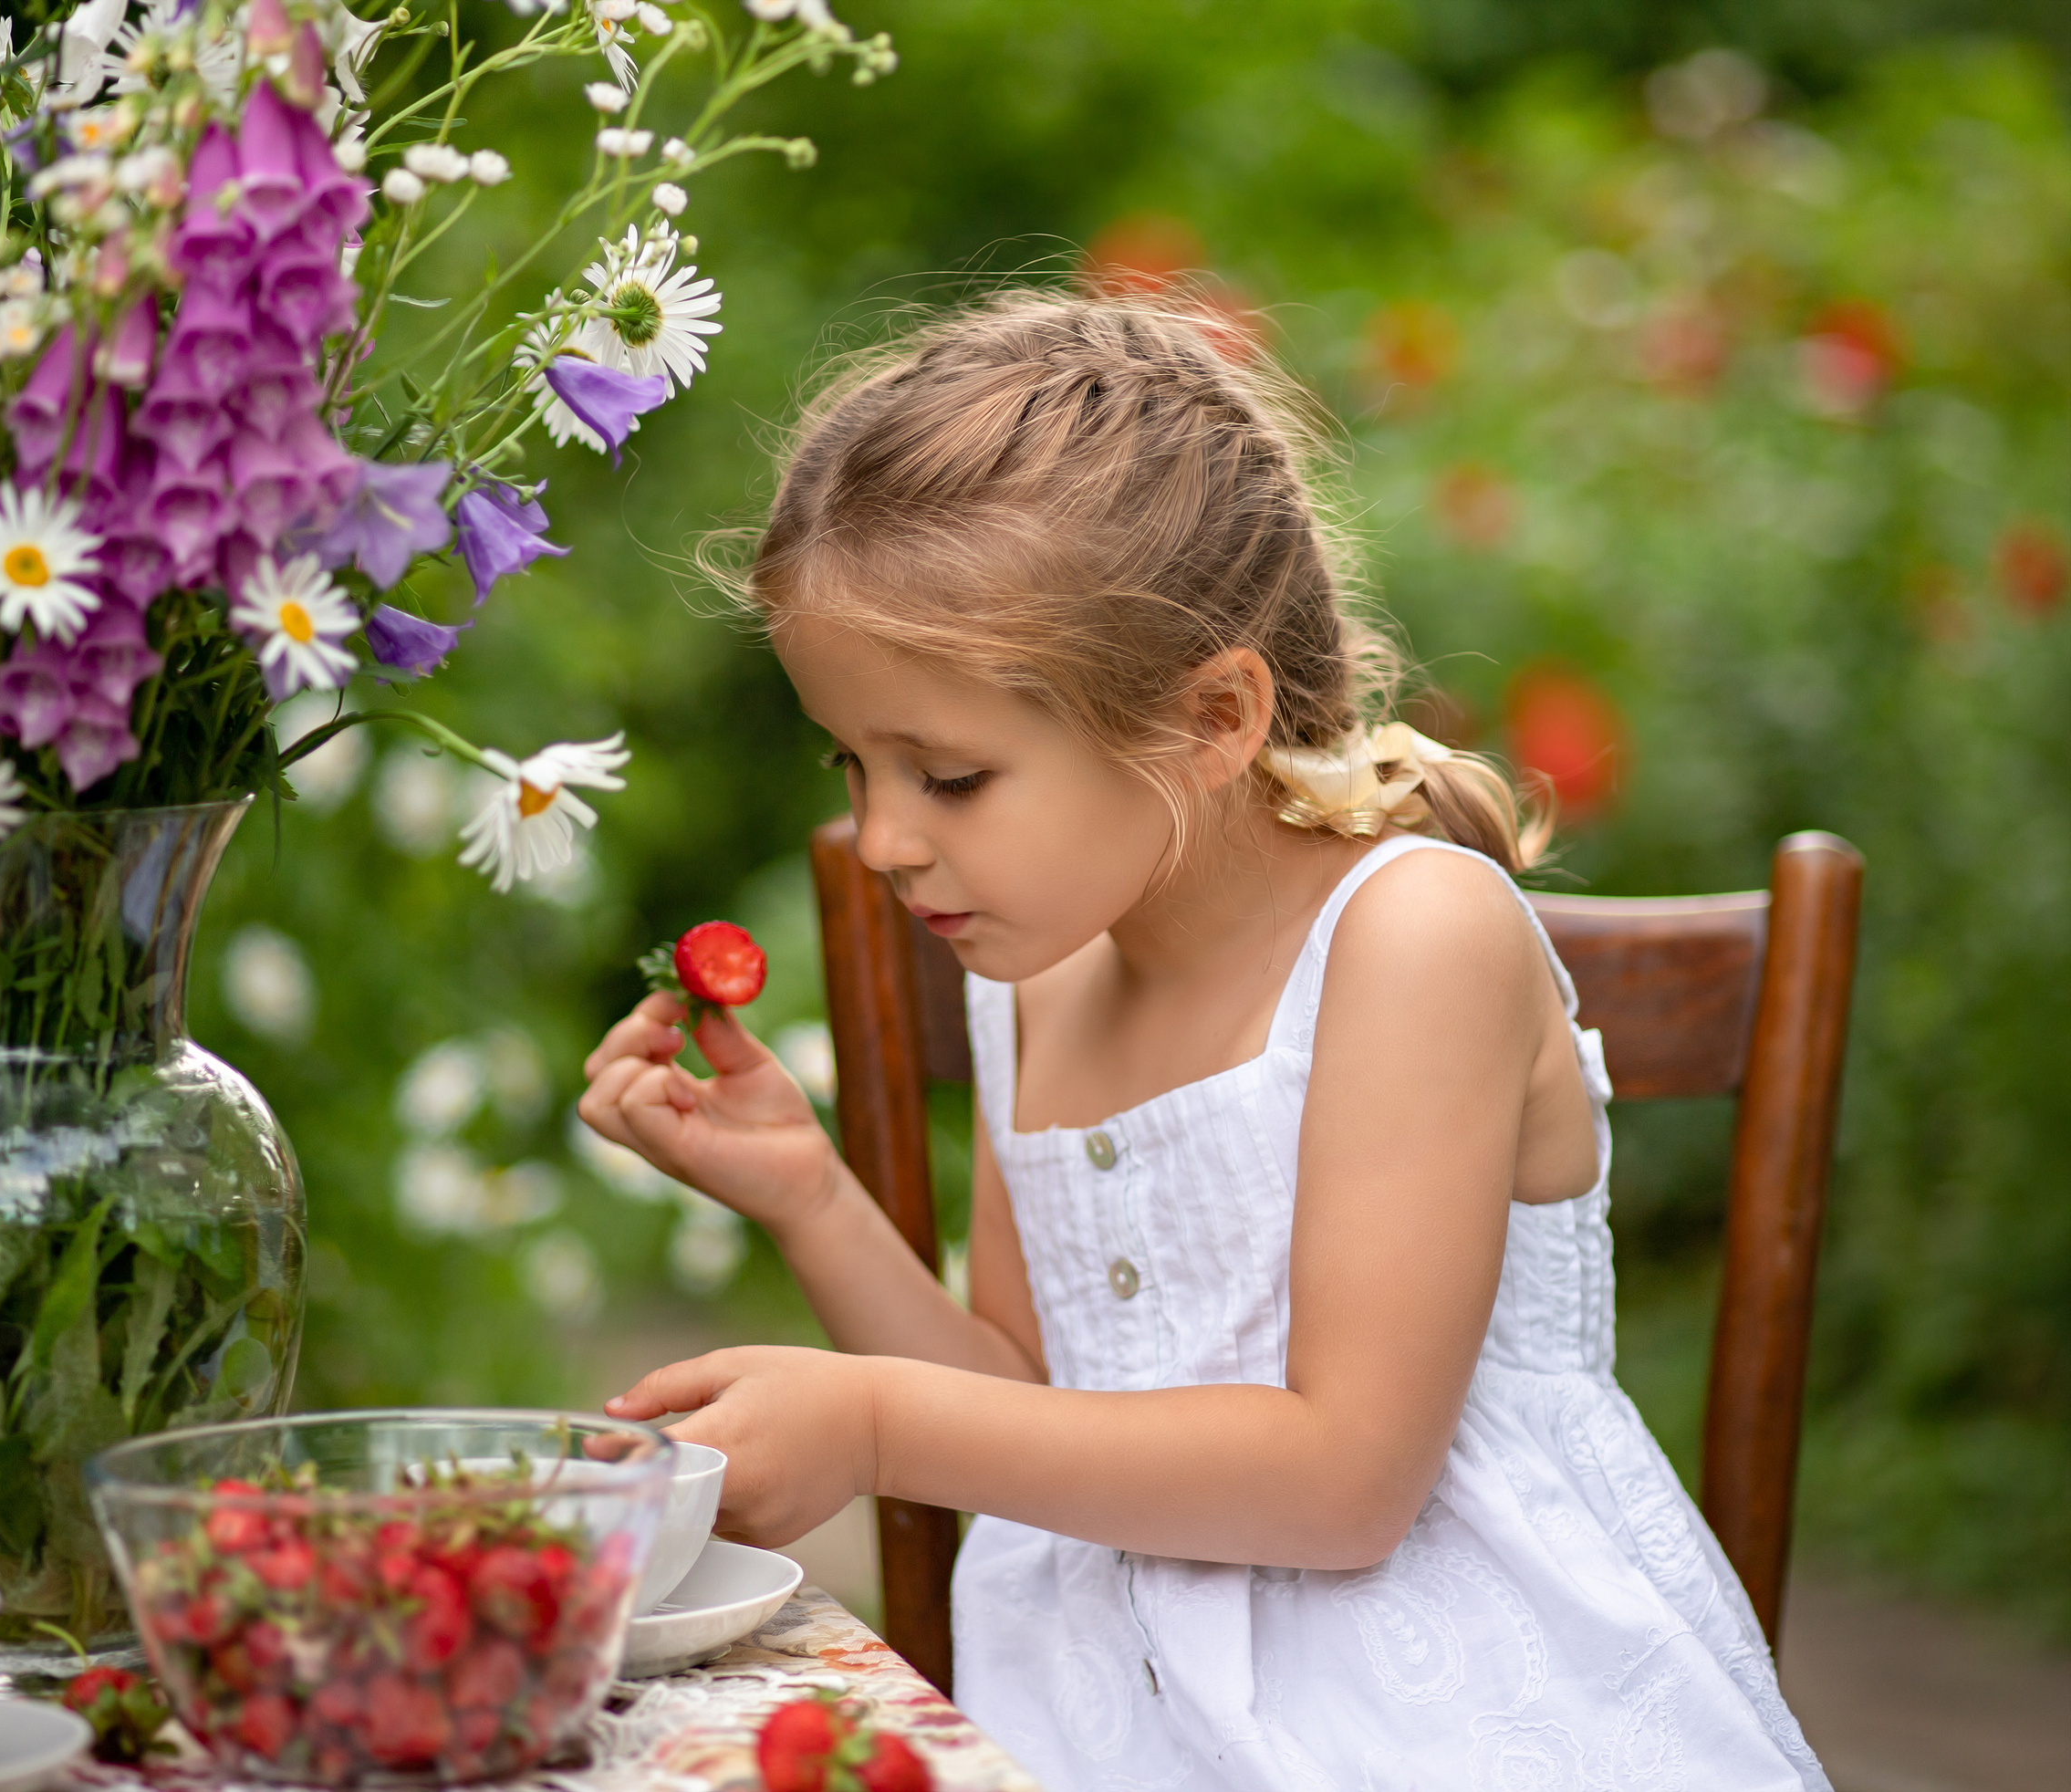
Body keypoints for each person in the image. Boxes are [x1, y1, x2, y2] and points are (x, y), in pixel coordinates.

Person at [578, 293, 1829, 1790]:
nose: (883, 839)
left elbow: (1348, 1481)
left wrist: (873, 1424)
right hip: (1101, 1710)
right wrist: (808, 1191)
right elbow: (1027, 1414)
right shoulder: (1034, 971)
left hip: (1450, 1712)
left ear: (1216, 714)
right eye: (856, 761)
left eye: (953, 774)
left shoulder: (1412, 941)